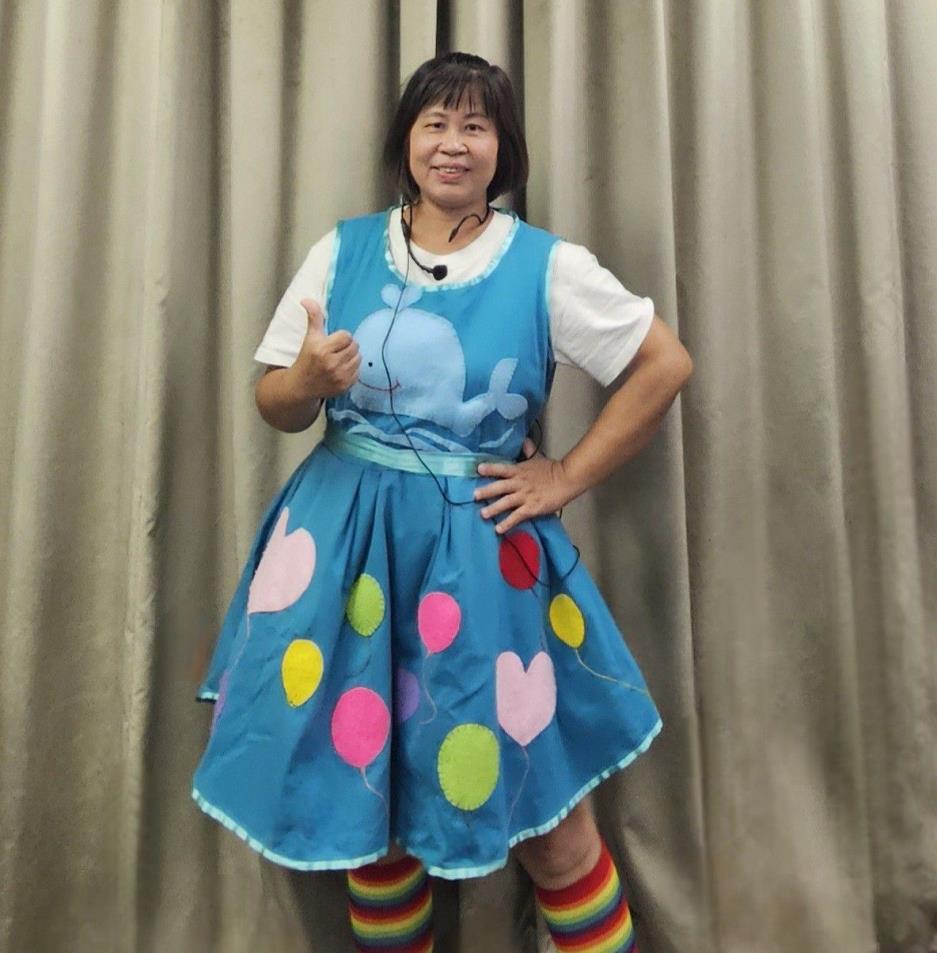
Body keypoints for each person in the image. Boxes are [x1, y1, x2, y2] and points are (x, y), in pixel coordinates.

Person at [192, 51, 692, 953]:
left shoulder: (546, 266)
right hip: (344, 561)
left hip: (480, 567)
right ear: (406, 141)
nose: (453, 144)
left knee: (548, 825)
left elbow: (663, 364)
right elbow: (275, 404)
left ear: (503, 148)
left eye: (475, 125)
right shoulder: (340, 250)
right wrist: (305, 381)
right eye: (435, 123)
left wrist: (564, 475)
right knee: (371, 817)